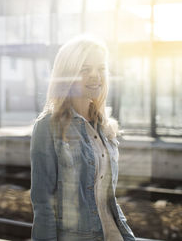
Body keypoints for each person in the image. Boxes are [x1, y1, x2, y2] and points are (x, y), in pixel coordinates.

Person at [30, 34, 136, 241]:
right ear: (68, 74)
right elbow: (43, 205)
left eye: (101, 69)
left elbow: (106, 197)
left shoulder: (105, 127)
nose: (95, 76)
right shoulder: (48, 127)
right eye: (85, 69)